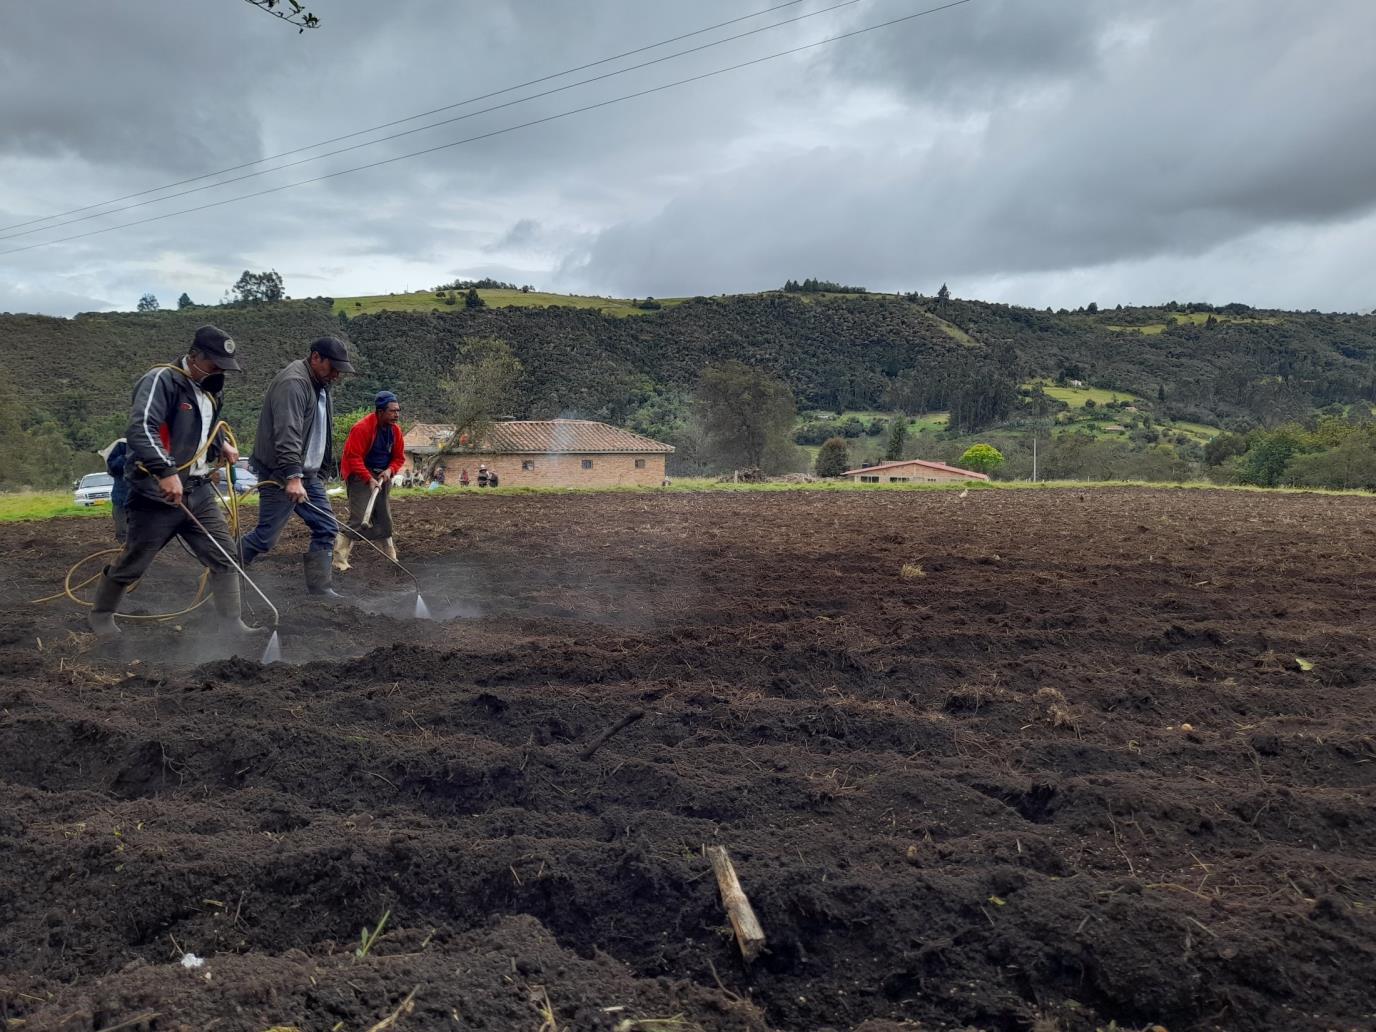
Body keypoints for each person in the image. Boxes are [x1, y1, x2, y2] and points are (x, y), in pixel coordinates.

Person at [87, 326, 254, 640]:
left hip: (199, 492)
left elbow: (201, 429)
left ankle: (232, 624)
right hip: (155, 496)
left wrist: (220, 445)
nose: (219, 371)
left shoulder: (210, 387)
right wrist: (166, 472)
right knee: (134, 561)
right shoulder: (161, 380)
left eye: (223, 366)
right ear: (195, 356)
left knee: (226, 556)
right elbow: (141, 428)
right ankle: (101, 615)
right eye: (214, 363)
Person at [240, 337, 356, 596]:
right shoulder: (294, 383)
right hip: (282, 473)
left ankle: (320, 590)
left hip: (307, 474)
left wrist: (315, 472)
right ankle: (222, 568)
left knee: (326, 527)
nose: (337, 374)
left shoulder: (321, 384)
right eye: (333, 367)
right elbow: (288, 433)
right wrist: (293, 476)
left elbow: (318, 431)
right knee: (265, 538)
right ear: (316, 358)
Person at [334, 390, 405, 571]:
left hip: (383, 476)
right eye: (392, 411)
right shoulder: (362, 428)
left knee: (385, 522)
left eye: (398, 411)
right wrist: (368, 478)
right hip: (360, 475)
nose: (396, 415)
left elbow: (399, 458)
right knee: (359, 519)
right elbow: (353, 457)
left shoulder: (395, 431)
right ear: (380, 412)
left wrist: (390, 470)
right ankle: (339, 560)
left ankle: (391, 558)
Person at [99, 437, 130, 543]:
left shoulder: (151, 445)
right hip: (122, 497)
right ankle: (124, 549)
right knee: (122, 531)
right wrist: (127, 457)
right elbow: (113, 466)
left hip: (142, 499)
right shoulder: (122, 444)